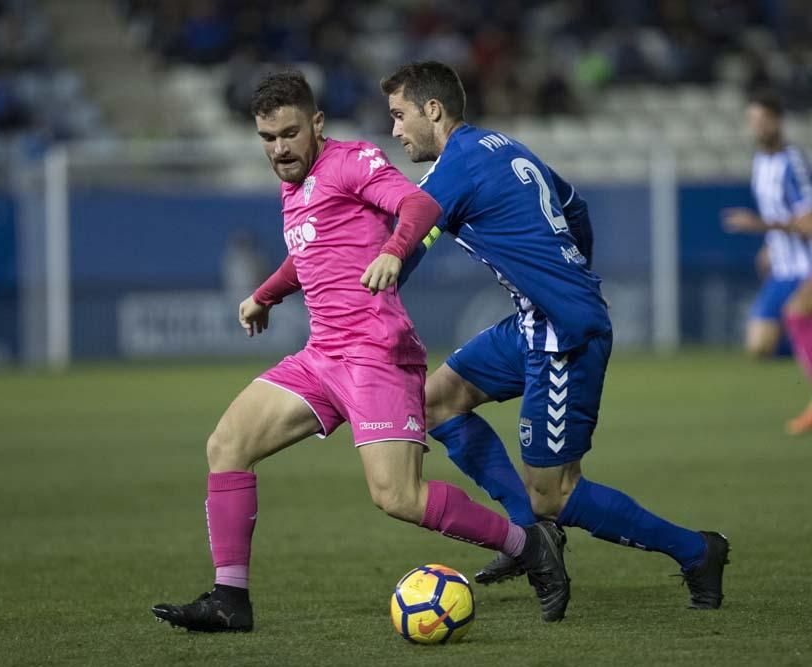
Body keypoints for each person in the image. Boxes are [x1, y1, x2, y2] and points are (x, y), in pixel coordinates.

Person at [151, 71, 571, 633]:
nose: (279, 148)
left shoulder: (352, 161)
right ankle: (231, 599)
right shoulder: (293, 185)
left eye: (290, 133)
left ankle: (528, 544)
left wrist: (396, 252)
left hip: (377, 354)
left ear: (317, 124)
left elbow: (418, 207)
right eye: (268, 138)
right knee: (227, 444)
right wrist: (264, 295)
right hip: (322, 356)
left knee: (398, 496)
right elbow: (308, 255)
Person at [381, 61, 729, 609]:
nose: (395, 130)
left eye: (400, 116)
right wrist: (565, 278)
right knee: (437, 401)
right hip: (535, 322)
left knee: (555, 493)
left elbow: (409, 237)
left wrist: (379, 277)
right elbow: (574, 207)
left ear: (433, 109)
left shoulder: (455, 166)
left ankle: (695, 550)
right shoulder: (504, 147)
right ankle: (530, 541)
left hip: (562, 335)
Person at [722, 91, 812, 434]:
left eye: (762, 120)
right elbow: (782, 217)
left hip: (807, 265)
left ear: (777, 121)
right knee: (759, 345)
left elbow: (808, 222)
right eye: (752, 121)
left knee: (797, 313)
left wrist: (758, 226)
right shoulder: (761, 163)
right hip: (783, 266)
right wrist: (769, 246)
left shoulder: (794, 162)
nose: (757, 127)